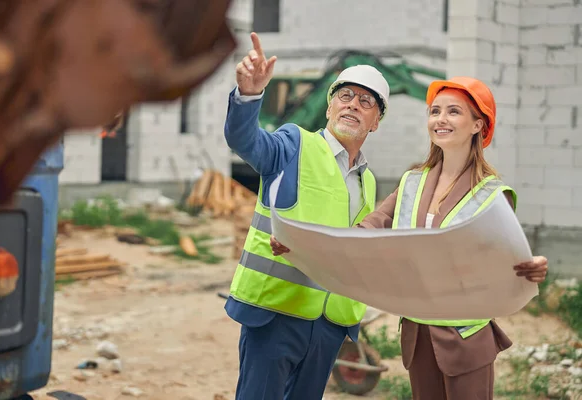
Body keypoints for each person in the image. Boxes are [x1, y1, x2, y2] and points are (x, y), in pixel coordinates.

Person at [271, 76, 549, 399]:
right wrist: (305, 246)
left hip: (464, 337)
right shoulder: (412, 182)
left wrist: (533, 268)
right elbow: (363, 234)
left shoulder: (492, 194)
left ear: (478, 125)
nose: (440, 119)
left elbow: (507, 261)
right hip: (418, 335)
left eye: (453, 112)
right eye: (434, 111)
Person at [223, 32, 391, 400]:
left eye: (365, 102)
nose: (352, 105)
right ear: (329, 108)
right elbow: (245, 141)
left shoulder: (368, 180)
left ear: (376, 121)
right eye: (344, 96)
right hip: (276, 314)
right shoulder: (292, 144)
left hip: (330, 323)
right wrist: (249, 96)